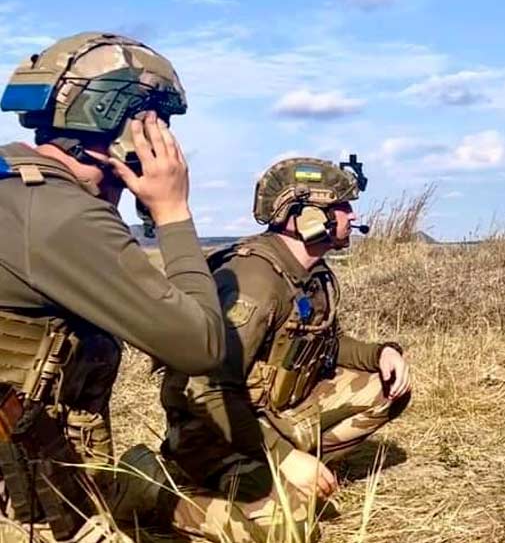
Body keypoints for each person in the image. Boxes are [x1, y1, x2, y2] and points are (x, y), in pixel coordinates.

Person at [0, 32, 226, 541]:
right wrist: (172, 212)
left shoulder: (15, 185)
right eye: (156, 125)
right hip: (23, 506)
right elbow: (200, 345)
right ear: (124, 128)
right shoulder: (62, 217)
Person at [145, 156, 412, 541]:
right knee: (291, 528)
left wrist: (380, 354)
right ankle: (152, 489)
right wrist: (287, 459)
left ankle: (286, 471)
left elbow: (324, 345)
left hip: (269, 414)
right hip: (213, 430)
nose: (351, 216)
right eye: (340, 207)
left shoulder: (310, 273)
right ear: (301, 216)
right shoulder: (253, 281)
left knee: (385, 388)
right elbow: (205, 389)